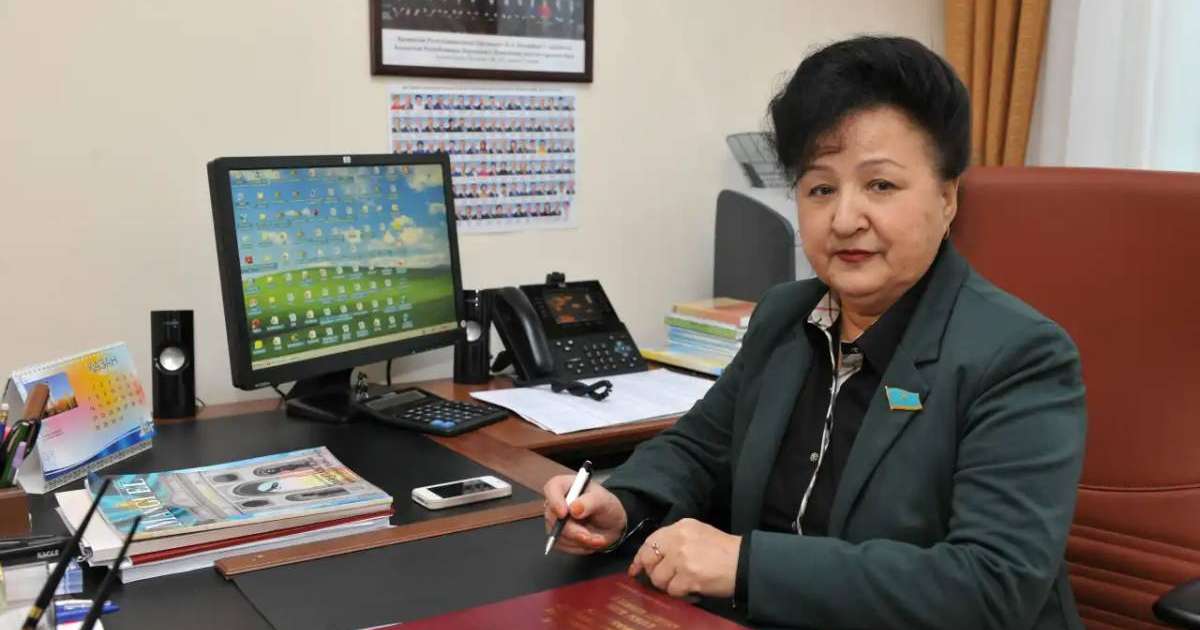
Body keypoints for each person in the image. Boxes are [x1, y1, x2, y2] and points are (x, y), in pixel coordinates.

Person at [541, 35, 1086, 630]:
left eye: (881, 185)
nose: (846, 219)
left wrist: (747, 566)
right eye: (821, 188)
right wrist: (623, 502)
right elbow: (701, 448)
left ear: (949, 197)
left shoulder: (1020, 355)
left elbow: (991, 586)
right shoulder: (785, 314)